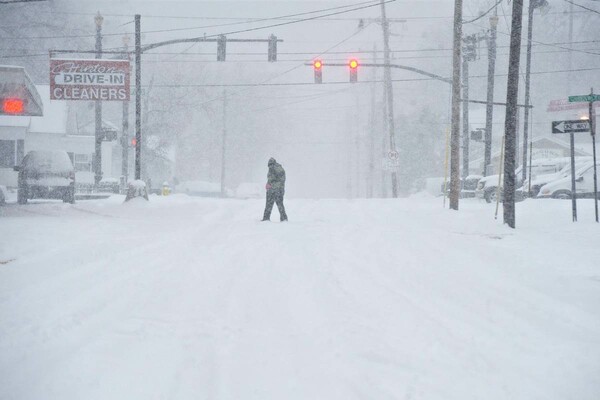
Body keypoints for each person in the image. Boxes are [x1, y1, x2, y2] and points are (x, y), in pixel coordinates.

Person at [262, 157, 288, 222]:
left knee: (279, 205)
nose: (270, 166)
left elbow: (282, 181)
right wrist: (268, 185)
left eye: (271, 165)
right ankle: (266, 219)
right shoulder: (271, 169)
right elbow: (271, 180)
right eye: (269, 165)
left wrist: (271, 186)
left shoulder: (279, 169)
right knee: (268, 205)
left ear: (273, 163)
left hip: (278, 191)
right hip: (271, 191)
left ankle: (284, 219)